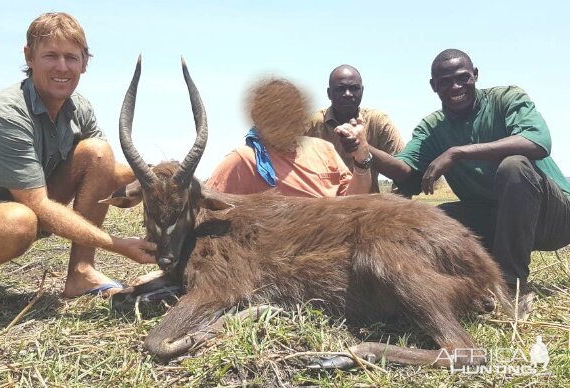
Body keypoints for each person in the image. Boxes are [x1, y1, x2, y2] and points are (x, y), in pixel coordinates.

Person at [0, 12, 156, 311]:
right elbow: (36, 206)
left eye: (71, 58)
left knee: (99, 152)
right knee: (18, 223)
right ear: (29, 57)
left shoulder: (79, 108)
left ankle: (81, 273)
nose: (62, 67)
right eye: (51, 55)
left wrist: (160, 178)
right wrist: (117, 245)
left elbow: (108, 172)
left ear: (85, 61)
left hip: (22, 205)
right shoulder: (6, 114)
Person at [360, 48, 570, 289]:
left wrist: (457, 152)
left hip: (555, 219)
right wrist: (363, 149)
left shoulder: (506, 99)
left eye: (463, 78)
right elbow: (408, 175)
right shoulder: (432, 128)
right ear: (433, 86)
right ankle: (457, 281)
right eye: (445, 82)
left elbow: (537, 141)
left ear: (476, 75)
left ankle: (510, 285)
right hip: (499, 219)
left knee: (514, 166)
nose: (456, 87)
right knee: (435, 219)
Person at [207, 77, 372, 197]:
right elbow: (206, 208)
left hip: (334, 241)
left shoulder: (323, 150)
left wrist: (361, 158)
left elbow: (354, 204)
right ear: (257, 116)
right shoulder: (242, 160)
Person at [305, 64, 405, 193]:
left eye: (354, 88)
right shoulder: (312, 125)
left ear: (362, 91)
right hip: (324, 208)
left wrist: (363, 148)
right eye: (340, 89)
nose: (347, 94)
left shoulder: (377, 122)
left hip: (367, 208)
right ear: (329, 93)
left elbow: (404, 172)